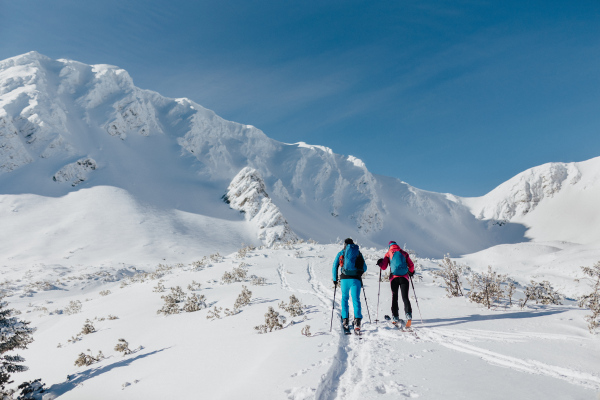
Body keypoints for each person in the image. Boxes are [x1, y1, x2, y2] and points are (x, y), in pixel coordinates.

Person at [377, 241, 415, 327]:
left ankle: (395, 317)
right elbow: (411, 265)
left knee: (395, 297)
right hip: (404, 278)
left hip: (394, 278)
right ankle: (408, 315)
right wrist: (411, 272)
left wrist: (380, 263)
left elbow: (384, 267)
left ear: (389, 246)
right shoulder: (404, 253)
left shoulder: (388, 253)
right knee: (405, 297)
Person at [332, 238, 366, 332]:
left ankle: (345, 320)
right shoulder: (358, 253)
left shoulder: (341, 253)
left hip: (344, 279)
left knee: (344, 298)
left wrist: (335, 280)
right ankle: (357, 321)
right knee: (356, 300)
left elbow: (335, 266)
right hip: (356, 280)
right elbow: (365, 267)